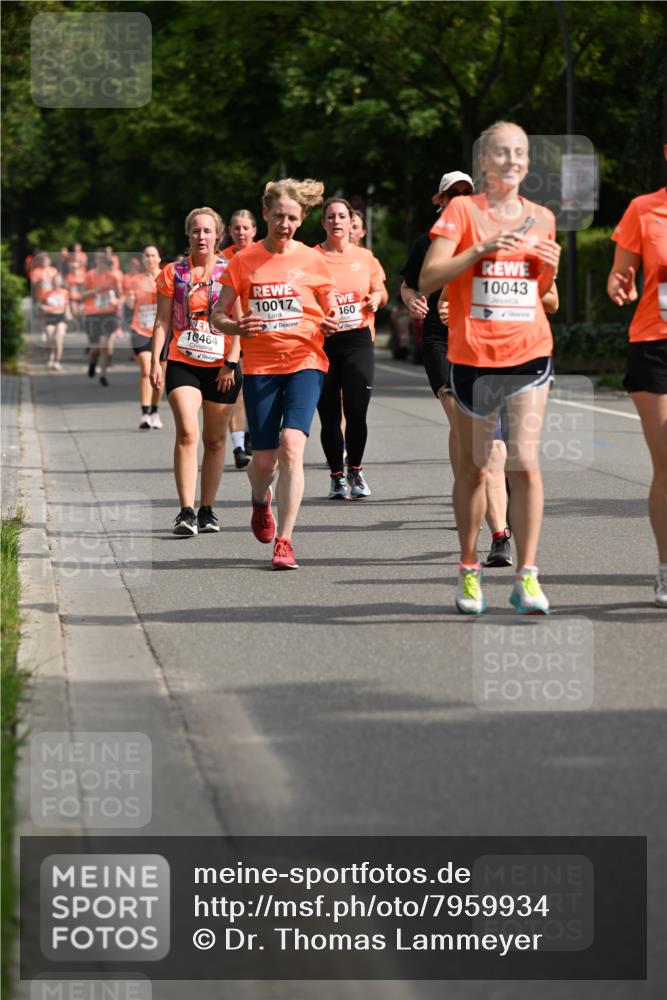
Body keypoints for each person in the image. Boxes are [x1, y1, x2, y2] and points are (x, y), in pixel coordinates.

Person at [420, 121, 561, 615]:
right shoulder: (462, 212)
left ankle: (527, 575)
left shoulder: (542, 218)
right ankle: (468, 568)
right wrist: (478, 250)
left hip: (528, 350)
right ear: (484, 161)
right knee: (477, 469)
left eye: (519, 153)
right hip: (474, 355)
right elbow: (428, 276)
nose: (510, 161)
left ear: (527, 162)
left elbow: (543, 294)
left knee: (524, 459)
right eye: (500, 153)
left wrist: (550, 268)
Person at [211, 178, 339, 569]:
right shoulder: (243, 261)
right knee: (264, 462)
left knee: (291, 446)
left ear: (302, 221)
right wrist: (236, 327)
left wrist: (332, 320)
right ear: (265, 213)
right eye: (279, 216)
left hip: (305, 361)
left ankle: (285, 540)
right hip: (262, 366)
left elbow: (330, 305)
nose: (285, 224)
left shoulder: (313, 260)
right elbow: (217, 315)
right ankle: (258, 500)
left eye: (293, 218)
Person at [401, 171, 512, 566]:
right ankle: (486, 508)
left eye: (467, 193)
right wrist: (414, 300)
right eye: (453, 194)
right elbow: (410, 283)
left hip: (481, 343)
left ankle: (494, 523)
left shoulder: (487, 239)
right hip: (441, 341)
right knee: (464, 424)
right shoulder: (429, 242)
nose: (460, 199)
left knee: (483, 443)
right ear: (440, 199)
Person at [149, 208, 242, 535]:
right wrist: (154, 361)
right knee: (188, 432)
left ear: (218, 236)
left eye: (207, 231)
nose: (201, 237)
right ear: (187, 235)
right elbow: (161, 321)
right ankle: (185, 511)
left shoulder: (232, 270)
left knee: (216, 440)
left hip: (222, 366)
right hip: (183, 361)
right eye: (195, 231)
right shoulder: (173, 273)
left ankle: (207, 510)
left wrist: (231, 360)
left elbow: (239, 320)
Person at [607, 147, 667, 606]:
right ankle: (665, 569)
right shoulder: (643, 210)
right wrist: (618, 284)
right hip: (654, 344)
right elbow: (620, 274)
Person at [316, 197, 388, 498]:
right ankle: (336, 476)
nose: (336, 221)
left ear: (350, 222)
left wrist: (376, 299)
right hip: (323, 341)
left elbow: (381, 291)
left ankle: (355, 470)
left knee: (357, 412)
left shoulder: (366, 257)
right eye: (330, 216)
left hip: (358, 340)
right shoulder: (312, 257)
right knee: (330, 415)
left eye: (341, 216)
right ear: (323, 223)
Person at [221, 210, 259, 468]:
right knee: (238, 392)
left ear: (254, 230)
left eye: (245, 227)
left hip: (261, 333)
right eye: (236, 228)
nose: (241, 232)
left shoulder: (266, 254)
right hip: (232, 333)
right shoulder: (222, 260)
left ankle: (254, 436)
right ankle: (238, 446)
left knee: (256, 391)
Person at [126, 245, 165, 429]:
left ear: (159, 258)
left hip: (162, 331)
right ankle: (145, 413)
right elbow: (128, 301)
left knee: (160, 373)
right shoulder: (135, 280)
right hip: (140, 329)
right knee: (146, 367)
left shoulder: (167, 276)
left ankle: (155, 411)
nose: (150, 259)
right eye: (147, 256)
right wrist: (130, 300)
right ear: (143, 260)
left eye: (153, 256)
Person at [80, 252, 123, 386]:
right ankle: (93, 362)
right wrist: (95, 291)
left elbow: (120, 295)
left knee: (105, 346)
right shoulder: (89, 275)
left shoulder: (112, 277)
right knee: (95, 349)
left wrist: (116, 301)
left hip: (109, 314)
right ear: (96, 262)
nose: (103, 264)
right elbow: (82, 294)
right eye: (101, 261)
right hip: (92, 314)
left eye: (105, 261)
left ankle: (103, 375)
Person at [39, 273, 71, 370]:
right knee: (49, 337)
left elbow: (67, 304)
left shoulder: (65, 292)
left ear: (61, 282)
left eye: (58, 281)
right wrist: (42, 308)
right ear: (51, 282)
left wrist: (69, 314)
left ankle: (57, 361)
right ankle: (51, 356)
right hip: (50, 317)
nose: (56, 283)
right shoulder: (46, 293)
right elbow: (41, 307)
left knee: (58, 338)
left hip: (61, 317)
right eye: (54, 281)